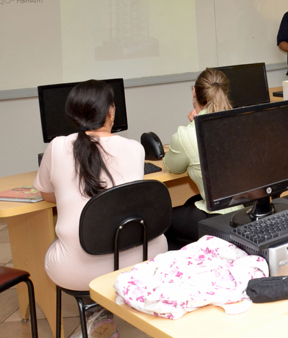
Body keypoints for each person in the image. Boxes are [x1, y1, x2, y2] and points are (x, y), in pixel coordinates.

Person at [33, 80, 168, 337]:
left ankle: (95, 310)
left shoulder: (58, 147)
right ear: (111, 112)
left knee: (57, 242)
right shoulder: (135, 149)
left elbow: (45, 194)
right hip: (140, 258)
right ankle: (107, 306)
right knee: (109, 229)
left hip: (78, 269)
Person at [163, 68, 242, 250]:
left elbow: (173, 167)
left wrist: (192, 123)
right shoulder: (241, 121)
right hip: (248, 210)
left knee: (164, 222)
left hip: (218, 216)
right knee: (191, 202)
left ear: (194, 93)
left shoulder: (188, 134)